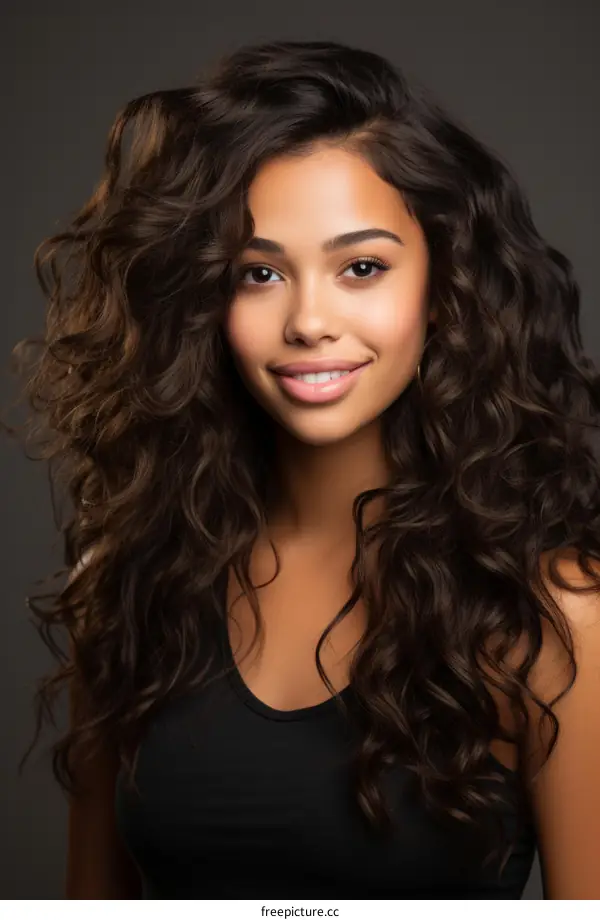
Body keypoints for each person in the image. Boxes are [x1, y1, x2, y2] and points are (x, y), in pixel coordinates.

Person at [11, 38, 600, 899]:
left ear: (444, 288)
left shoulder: (554, 616)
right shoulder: (133, 582)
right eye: (258, 274)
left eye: (362, 268)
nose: (309, 321)